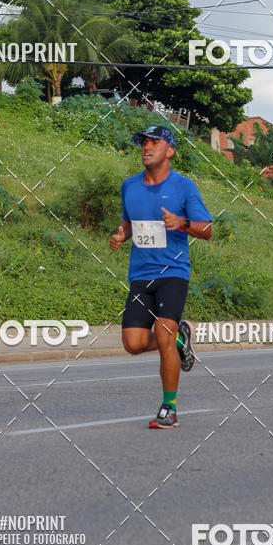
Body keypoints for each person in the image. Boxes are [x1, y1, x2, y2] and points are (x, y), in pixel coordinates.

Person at [110, 124, 212, 428]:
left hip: (173, 272)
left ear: (170, 151)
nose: (146, 147)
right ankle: (182, 338)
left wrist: (182, 222)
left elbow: (206, 229)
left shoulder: (184, 186)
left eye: (154, 142)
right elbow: (129, 224)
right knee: (134, 343)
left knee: (163, 333)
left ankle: (169, 408)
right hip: (140, 275)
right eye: (143, 142)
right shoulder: (130, 186)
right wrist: (120, 235)